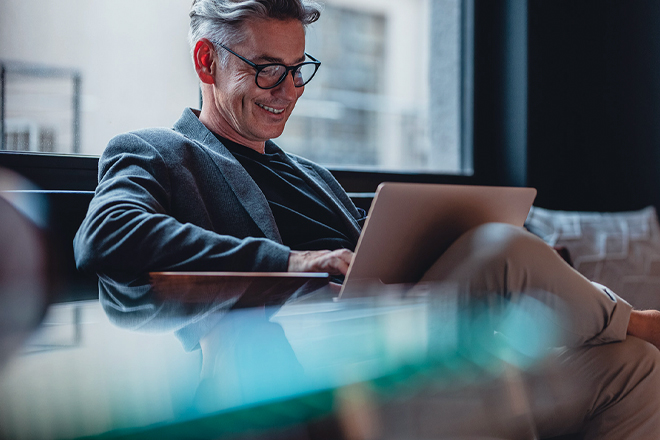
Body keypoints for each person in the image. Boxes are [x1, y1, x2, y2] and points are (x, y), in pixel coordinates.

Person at [74, 0, 660, 437]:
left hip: (407, 348)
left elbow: (383, 252)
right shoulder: (155, 150)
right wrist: (295, 261)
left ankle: (620, 328)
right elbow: (108, 234)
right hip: (307, 373)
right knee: (500, 251)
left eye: (299, 68)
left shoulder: (312, 175)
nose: (289, 90)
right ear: (207, 60)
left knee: (632, 366)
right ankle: (630, 316)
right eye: (267, 69)